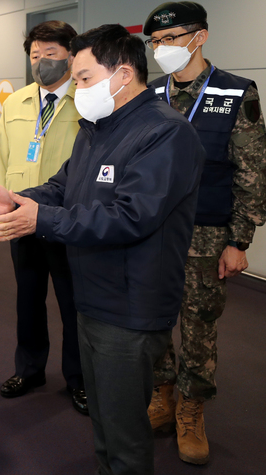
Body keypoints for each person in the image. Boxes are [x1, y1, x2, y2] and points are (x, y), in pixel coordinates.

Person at [0, 24, 205, 475]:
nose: (77, 87)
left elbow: (131, 216)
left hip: (130, 307)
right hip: (94, 297)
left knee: (124, 433)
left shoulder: (165, 134)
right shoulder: (97, 127)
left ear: (124, 73)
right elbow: (62, 185)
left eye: (85, 78)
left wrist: (40, 219)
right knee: (105, 425)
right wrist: (18, 200)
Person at [142, 2, 266, 465]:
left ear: (201, 36)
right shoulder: (147, 93)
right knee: (153, 316)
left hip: (208, 231)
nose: (162, 48)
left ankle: (192, 409)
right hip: (151, 230)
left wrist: (240, 241)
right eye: (155, 41)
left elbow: (252, 172)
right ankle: (163, 392)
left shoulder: (236, 92)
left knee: (198, 324)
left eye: (172, 38)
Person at [0, 21, 86, 415]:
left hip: (66, 219)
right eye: (34, 55)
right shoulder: (17, 102)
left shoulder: (86, 100)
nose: (41, 62)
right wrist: (0, 203)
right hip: (19, 215)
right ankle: (29, 369)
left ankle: (78, 378)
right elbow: (2, 155)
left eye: (50, 54)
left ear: (71, 55)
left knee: (71, 303)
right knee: (28, 299)